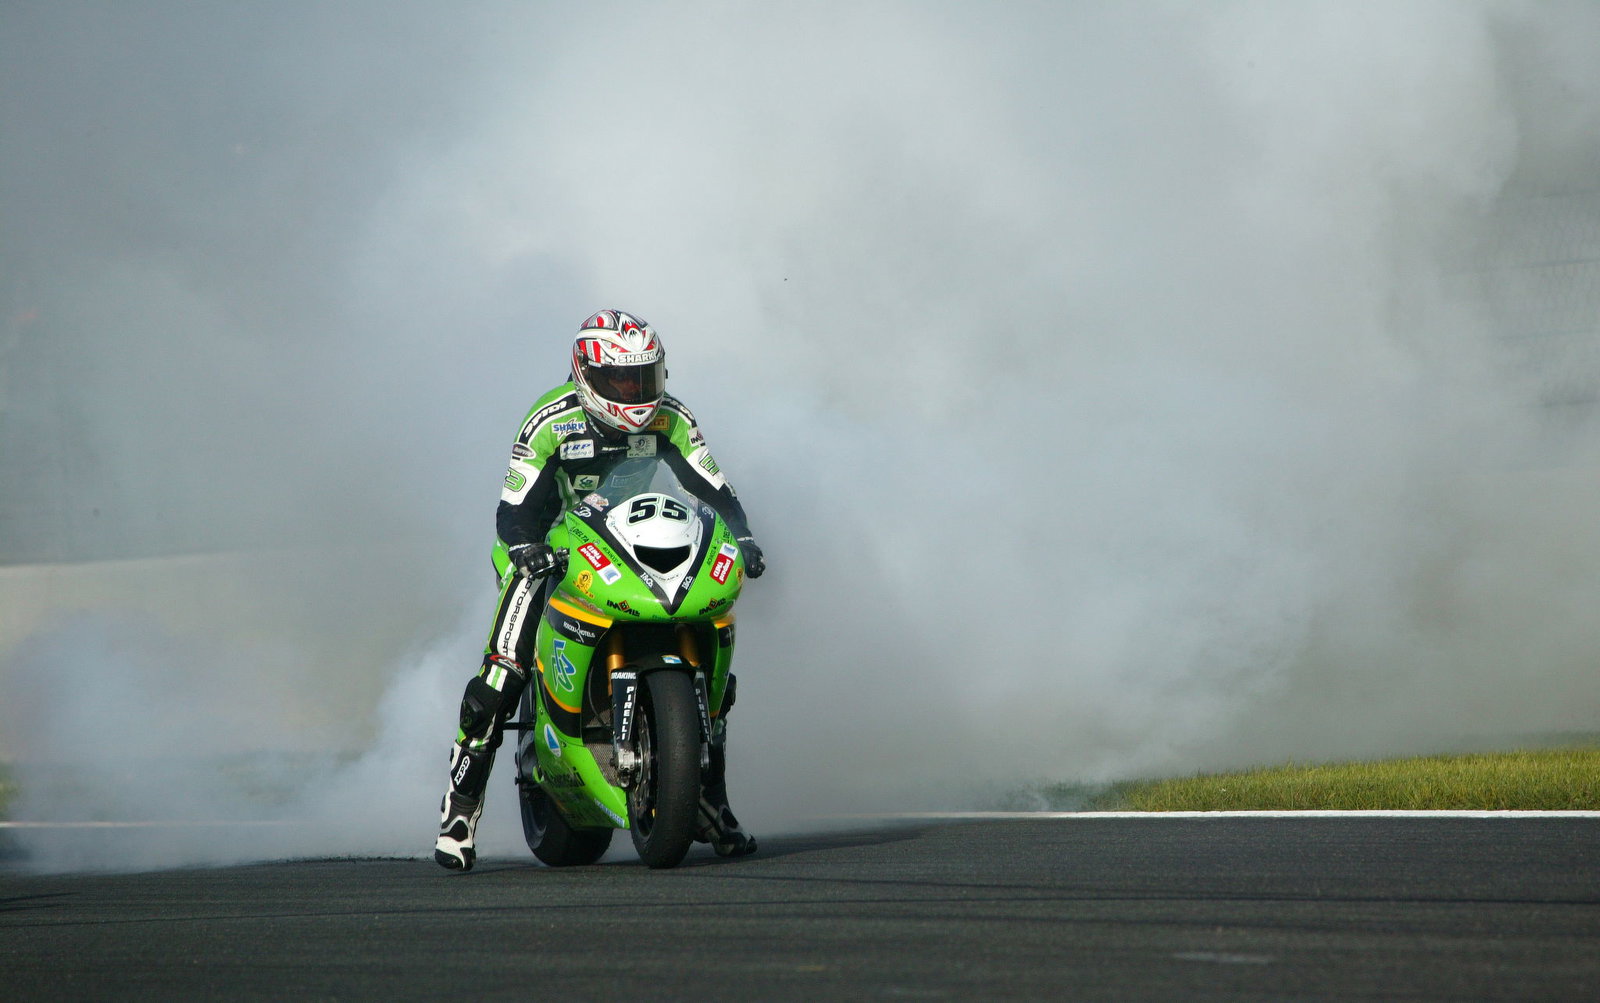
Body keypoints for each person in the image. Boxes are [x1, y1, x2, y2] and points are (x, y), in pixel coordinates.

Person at [435, 309, 765, 871]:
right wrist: (524, 549)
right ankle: (461, 807)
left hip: (622, 542)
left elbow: (712, 485)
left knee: (702, 628)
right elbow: (513, 509)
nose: (636, 392)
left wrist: (745, 537)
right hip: (547, 545)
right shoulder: (549, 421)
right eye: (621, 380)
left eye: (645, 378)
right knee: (503, 672)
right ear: (586, 373)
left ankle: (708, 795)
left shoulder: (672, 418)